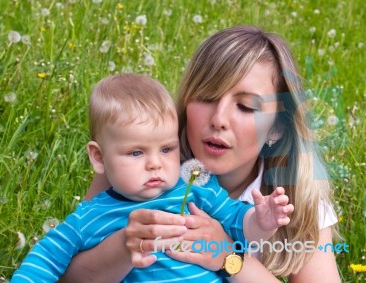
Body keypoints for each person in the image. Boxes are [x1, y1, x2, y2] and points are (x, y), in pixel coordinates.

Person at [59, 26, 340, 283]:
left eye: (245, 107)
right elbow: (67, 275)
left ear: (277, 128)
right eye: (207, 98)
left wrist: (230, 259)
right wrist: (122, 247)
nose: (219, 119)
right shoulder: (140, 166)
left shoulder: (296, 195)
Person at [11, 74, 294, 283]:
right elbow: (45, 260)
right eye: (136, 153)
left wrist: (261, 221)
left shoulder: (196, 189)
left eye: (167, 149)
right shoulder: (91, 215)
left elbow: (238, 223)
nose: (155, 164)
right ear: (99, 158)